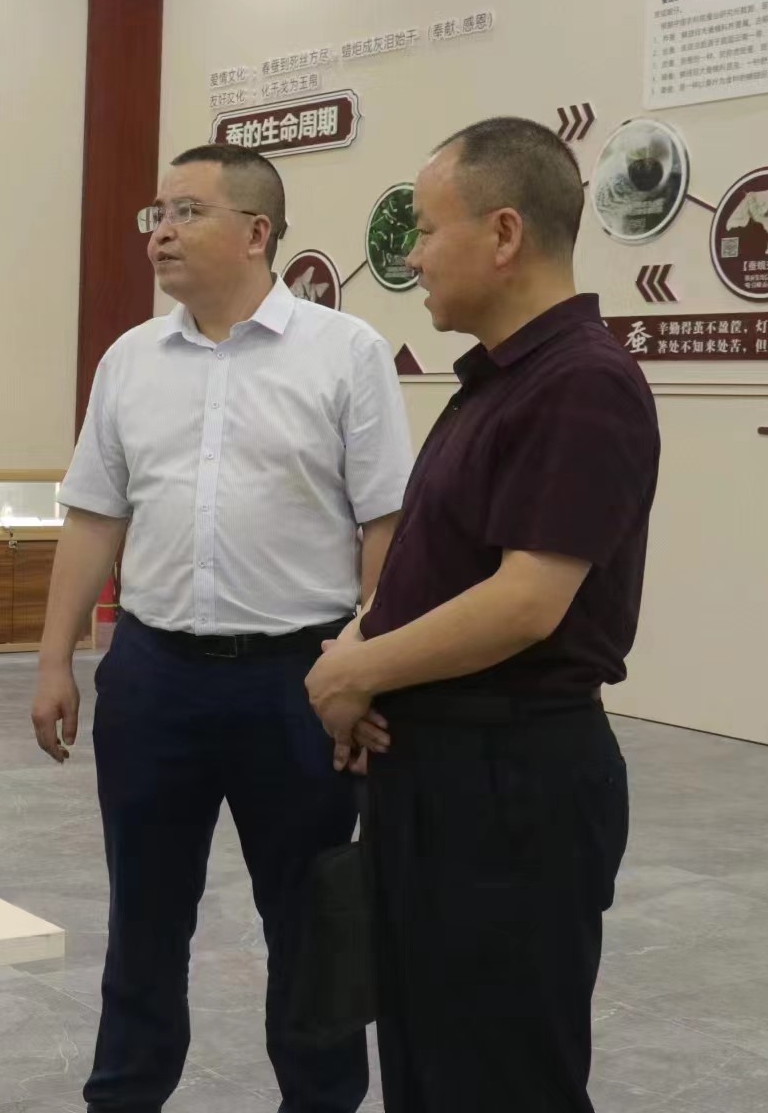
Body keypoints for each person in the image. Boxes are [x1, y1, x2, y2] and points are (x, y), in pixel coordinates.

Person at [33, 144, 413, 1113]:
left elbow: (385, 524)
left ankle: (320, 1100)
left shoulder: (346, 352)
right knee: (144, 915)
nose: (159, 232)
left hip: (297, 680)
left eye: (186, 212)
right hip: (154, 675)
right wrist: (54, 659)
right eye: (155, 213)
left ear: (256, 232)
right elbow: (95, 515)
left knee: (311, 917)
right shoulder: (130, 359)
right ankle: (124, 1095)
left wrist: (365, 668)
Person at [306, 117, 658, 1113]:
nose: (412, 256)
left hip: (511, 790)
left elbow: (526, 600)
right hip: (440, 776)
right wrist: (364, 647)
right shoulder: (498, 382)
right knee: (430, 1064)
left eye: (426, 229)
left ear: (504, 233)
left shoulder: (582, 383)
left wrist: (352, 671)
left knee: (500, 1073)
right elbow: (434, 564)